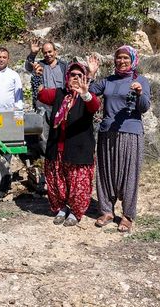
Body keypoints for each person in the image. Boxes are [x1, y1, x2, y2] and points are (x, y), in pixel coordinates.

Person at [88, 45, 151, 233]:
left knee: (128, 175)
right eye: (118, 58)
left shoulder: (141, 80)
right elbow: (88, 93)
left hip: (131, 133)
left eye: (125, 58)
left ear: (133, 60)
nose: (121, 61)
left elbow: (145, 107)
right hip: (107, 132)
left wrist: (140, 93)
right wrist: (91, 73)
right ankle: (107, 211)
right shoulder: (108, 80)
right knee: (106, 173)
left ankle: (127, 215)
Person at [37, 62, 100, 226]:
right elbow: (42, 95)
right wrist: (38, 76)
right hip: (57, 148)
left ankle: (75, 211)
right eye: (73, 75)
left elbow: (94, 106)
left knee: (77, 183)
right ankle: (61, 208)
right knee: (58, 182)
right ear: (67, 77)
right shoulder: (59, 94)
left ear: (85, 78)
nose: (76, 78)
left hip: (78, 149)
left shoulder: (87, 95)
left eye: (80, 75)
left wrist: (85, 93)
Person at [25, 40, 68, 152]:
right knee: (44, 133)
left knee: (61, 132)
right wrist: (33, 54)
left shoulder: (64, 66)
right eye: (45, 52)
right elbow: (28, 67)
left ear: (55, 52)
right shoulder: (40, 64)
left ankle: (60, 157)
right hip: (43, 104)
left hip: (60, 104)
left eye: (50, 51)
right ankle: (46, 158)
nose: (48, 54)